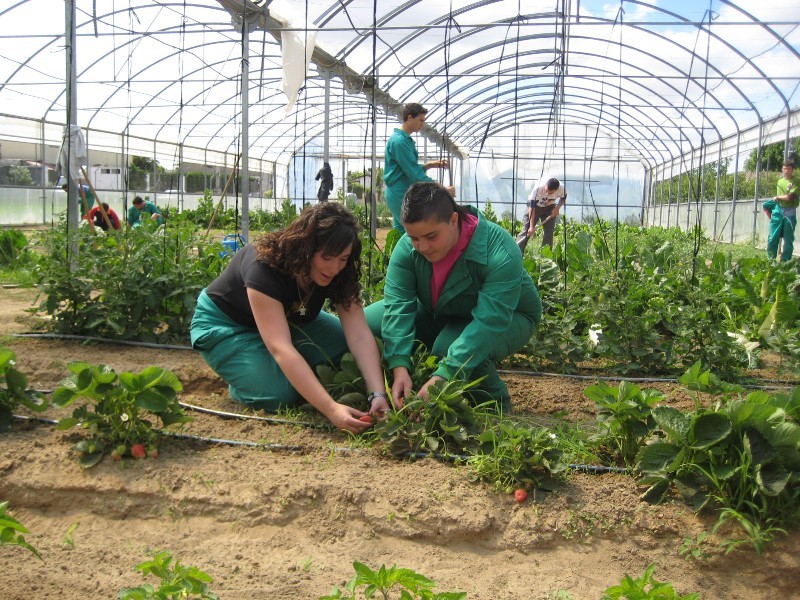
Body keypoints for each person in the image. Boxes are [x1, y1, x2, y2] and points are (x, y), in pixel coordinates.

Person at [190, 202, 389, 433]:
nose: (335, 268)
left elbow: (359, 336)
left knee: (345, 350)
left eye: (343, 258)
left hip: (289, 318)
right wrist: (331, 408)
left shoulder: (340, 272)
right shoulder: (264, 266)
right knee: (279, 393)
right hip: (227, 324)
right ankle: (248, 382)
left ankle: (281, 369)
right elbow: (280, 347)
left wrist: (378, 393)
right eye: (327, 257)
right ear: (306, 248)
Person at [364, 181, 542, 413]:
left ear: (454, 220)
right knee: (364, 324)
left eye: (431, 236)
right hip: (439, 309)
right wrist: (399, 365)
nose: (422, 247)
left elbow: (489, 322)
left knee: (449, 348)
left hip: (511, 316)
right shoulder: (408, 248)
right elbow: (398, 305)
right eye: (414, 238)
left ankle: (493, 406)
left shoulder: (499, 251)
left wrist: (445, 374)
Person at [384, 103, 454, 232]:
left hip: (400, 190)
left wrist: (430, 165)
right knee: (414, 232)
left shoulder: (403, 139)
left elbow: (405, 168)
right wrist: (441, 189)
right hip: (399, 191)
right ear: (410, 118)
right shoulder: (400, 141)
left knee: (402, 233)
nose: (422, 124)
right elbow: (413, 173)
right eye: (420, 120)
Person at [516, 177, 567, 252]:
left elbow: (563, 198)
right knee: (526, 231)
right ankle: (517, 254)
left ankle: (545, 259)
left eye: (550, 193)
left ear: (556, 190)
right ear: (545, 185)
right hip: (535, 207)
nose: (547, 194)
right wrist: (531, 226)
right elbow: (532, 207)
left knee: (549, 233)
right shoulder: (538, 188)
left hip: (549, 207)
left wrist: (557, 208)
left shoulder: (562, 188)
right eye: (546, 191)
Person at [762, 159, 799, 261]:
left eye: (788, 169)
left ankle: (785, 262)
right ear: (782, 169)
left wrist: (778, 197)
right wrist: (778, 199)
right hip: (778, 210)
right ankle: (770, 261)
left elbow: (791, 197)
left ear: (793, 170)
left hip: (790, 212)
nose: (786, 171)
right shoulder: (780, 181)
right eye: (784, 168)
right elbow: (783, 197)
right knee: (773, 237)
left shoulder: (796, 180)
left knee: (788, 239)